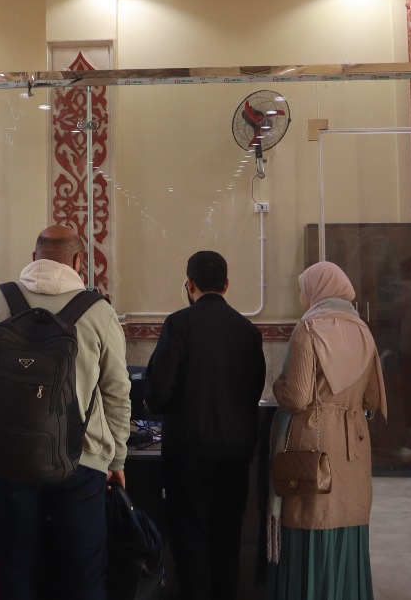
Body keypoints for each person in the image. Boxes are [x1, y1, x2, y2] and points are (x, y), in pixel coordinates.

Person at [0, 225, 132, 600]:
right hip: (83, 461)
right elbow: (117, 392)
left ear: (33, 258)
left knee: (16, 568)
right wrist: (116, 458)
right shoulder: (98, 312)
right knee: (84, 574)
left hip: (10, 458)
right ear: (79, 261)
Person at [145, 250, 266, 600]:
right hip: (236, 451)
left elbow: (159, 388)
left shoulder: (178, 324)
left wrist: (154, 405)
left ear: (190, 284)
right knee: (227, 536)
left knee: (190, 535)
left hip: (187, 451)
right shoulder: (248, 330)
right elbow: (255, 388)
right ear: (226, 285)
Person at [266, 262, 387, 600]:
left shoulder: (308, 329)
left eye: (302, 290)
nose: (301, 297)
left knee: (310, 519)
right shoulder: (363, 331)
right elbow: (373, 398)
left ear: (316, 290)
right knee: (348, 518)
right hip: (353, 447)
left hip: (313, 443)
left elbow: (297, 397)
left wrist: (278, 385)